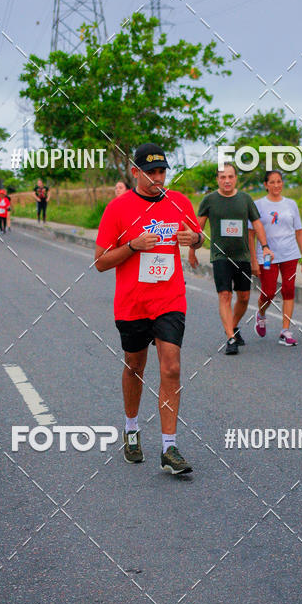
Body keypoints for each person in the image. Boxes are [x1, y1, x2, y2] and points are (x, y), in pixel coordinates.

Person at [95, 143, 203, 475]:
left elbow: (199, 236)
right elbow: (100, 262)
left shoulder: (179, 201)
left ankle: (169, 448)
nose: (158, 178)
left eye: (162, 172)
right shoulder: (118, 209)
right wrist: (132, 246)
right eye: (151, 172)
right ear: (135, 173)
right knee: (134, 367)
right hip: (132, 303)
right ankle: (131, 429)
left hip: (170, 298)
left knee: (171, 368)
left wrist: (194, 239)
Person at [189, 162, 272, 355]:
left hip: (242, 255)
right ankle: (230, 338)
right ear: (217, 179)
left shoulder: (245, 199)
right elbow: (197, 228)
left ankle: (233, 326)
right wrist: (192, 251)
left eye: (230, 177)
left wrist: (265, 247)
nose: (226, 180)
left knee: (243, 297)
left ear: (236, 178)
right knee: (225, 296)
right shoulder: (209, 200)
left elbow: (257, 224)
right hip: (220, 256)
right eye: (222, 177)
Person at [249, 171, 302, 345]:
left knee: (288, 290)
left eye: (279, 182)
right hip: (267, 256)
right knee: (268, 293)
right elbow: (251, 234)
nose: (276, 185)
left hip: (290, 254)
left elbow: (299, 232)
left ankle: (285, 331)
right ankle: (260, 314)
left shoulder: (291, 204)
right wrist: (253, 259)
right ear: (266, 184)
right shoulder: (258, 205)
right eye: (272, 182)